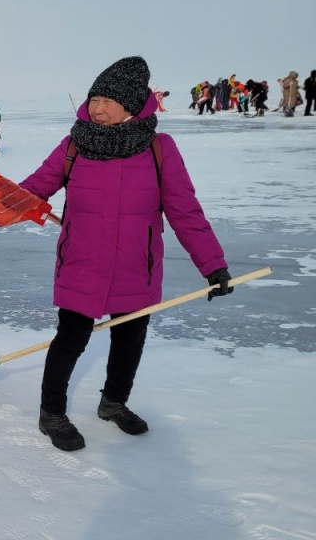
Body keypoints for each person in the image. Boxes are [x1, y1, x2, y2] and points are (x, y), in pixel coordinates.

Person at [17, 56, 234, 452]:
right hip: (81, 261)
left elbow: (185, 210)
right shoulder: (73, 146)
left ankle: (113, 403)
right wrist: (1, 196)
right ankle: (52, 413)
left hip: (138, 264)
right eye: (94, 98)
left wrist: (213, 265)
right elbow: (34, 188)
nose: (97, 108)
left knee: (129, 339)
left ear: (132, 105)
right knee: (70, 338)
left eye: (107, 100)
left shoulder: (159, 149)